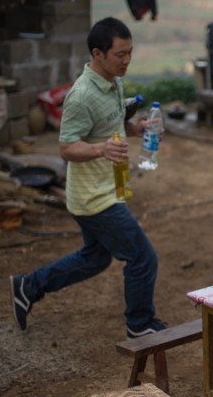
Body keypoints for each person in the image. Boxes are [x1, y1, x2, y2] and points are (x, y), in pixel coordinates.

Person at [10, 17, 166, 339]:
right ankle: (139, 324)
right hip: (94, 198)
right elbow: (67, 148)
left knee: (94, 259)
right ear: (97, 53)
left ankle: (29, 286)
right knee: (142, 257)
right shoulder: (80, 96)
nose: (127, 61)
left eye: (130, 52)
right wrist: (100, 150)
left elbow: (111, 122)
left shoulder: (112, 82)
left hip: (109, 187)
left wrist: (134, 130)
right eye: (119, 55)